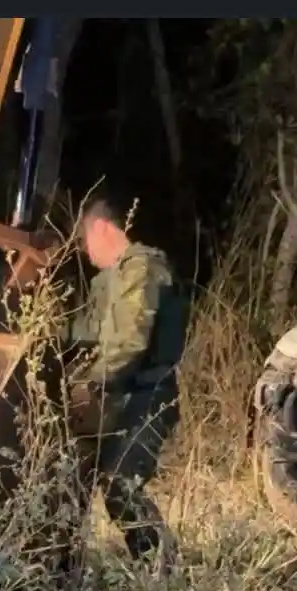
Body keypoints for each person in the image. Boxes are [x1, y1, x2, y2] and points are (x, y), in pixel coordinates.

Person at [68, 194, 187, 567]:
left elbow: (130, 340)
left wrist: (89, 382)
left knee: (122, 482)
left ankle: (160, 568)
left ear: (102, 228)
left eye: (85, 242)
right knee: (77, 480)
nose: (86, 254)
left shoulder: (142, 267)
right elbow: (87, 335)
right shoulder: (110, 279)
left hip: (147, 394)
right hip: (118, 393)